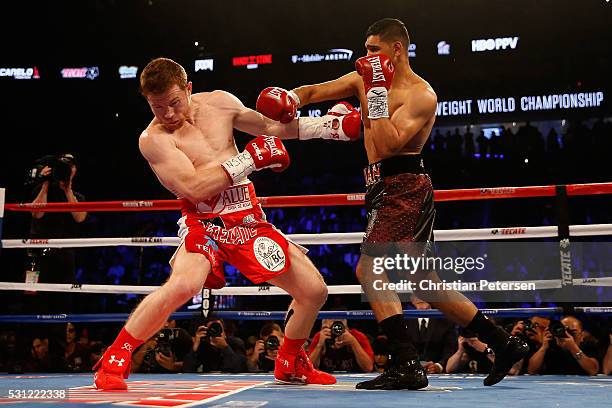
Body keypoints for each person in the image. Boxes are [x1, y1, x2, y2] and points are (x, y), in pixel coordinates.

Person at [256, 18, 528, 390]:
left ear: (396, 49)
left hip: (404, 186)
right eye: (365, 49)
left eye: (373, 50)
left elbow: (386, 145)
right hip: (381, 187)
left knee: (369, 272)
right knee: (426, 284)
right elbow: (314, 91)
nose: (365, 57)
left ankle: (406, 364)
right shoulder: (362, 80)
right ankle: (503, 343)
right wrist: (289, 98)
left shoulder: (421, 94)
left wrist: (379, 91)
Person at [92, 57, 361, 390]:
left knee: (314, 291)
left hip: (247, 215)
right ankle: (115, 359)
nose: (169, 114)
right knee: (184, 285)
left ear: (188, 88)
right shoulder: (153, 140)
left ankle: (290, 362)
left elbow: (272, 129)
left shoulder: (221, 103)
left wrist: (328, 127)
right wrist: (248, 160)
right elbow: (192, 187)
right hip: (205, 221)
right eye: (158, 108)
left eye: (174, 103)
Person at [28, 154, 86, 313]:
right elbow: (37, 214)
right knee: (34, 302)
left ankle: (58, 336)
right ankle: (33, 338)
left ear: (74, 171)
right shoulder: (41, 191)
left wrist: (67, 190)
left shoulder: (78, 197)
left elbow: (80, 217)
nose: (67, 169)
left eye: (70, 166)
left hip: (64, 257)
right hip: (38, 255)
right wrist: (45, 185)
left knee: (62, 303)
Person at [527, 316, 600, 376]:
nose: (567, 335)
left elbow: (593, 370)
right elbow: (532, 371)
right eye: (563, 331)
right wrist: (544, 347)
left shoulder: (588, 346)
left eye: (573, 333)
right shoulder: (551, 346)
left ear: (582, 336)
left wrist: (573, 347)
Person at [308, 318, 374, 373]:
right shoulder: (320, 337)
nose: (333, 332)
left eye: (337, 328)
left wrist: (353, 342)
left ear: (347, 329)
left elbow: (368, 368)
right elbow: (308, 369)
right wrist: (319, 346)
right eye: (327, 328)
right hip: (326, 381)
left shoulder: (357, 336)